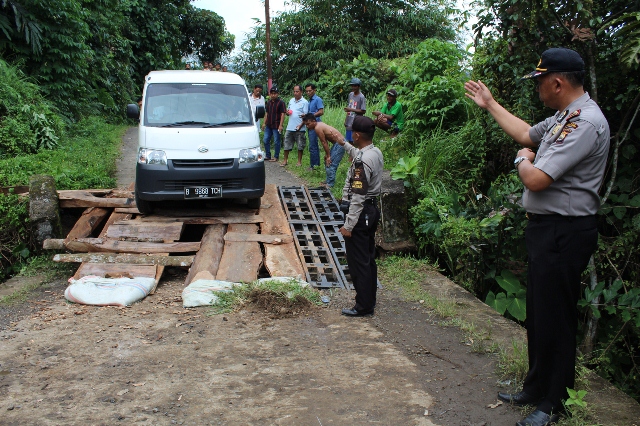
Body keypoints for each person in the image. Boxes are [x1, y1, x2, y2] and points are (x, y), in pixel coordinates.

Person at [464, 48, 610, 426]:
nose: (538, 88)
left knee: (557, 316)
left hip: (567, 231)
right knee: (539, 311)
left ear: (557, 82)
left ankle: (553, 402)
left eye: (541, 81)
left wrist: (521, 159)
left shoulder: (585, 123)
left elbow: (536, 178)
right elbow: (527, 133)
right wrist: (490, 104)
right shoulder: (564, 116)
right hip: (547, 230)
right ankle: (536, 386)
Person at [335, 116, 383, 317]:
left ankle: (363, 306)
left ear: (357, 134)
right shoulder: (374, 152)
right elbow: (358, 155)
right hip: (371, 211)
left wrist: (349, 225)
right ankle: (368, 300)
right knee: (368, 258)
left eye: (351, 133)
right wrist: (343, 143)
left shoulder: (362, 163)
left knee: (358, 261)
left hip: (361, 212)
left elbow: (357, 197)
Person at [325, 78, 366, 188]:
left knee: (355, 139)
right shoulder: (350, 95)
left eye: (355, 86)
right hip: (349, 120)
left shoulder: (361, 97)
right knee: (348, 139)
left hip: (356, 120)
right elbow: (349, 108)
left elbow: (363, 111)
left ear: (359, 86)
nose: (353, 87)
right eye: (352, 85)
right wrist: (346, 118)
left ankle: (354, 156)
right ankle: (350, 156)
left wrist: (351, 110)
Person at [281, 85, 309, 167]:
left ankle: (299, 162)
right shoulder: (291, 100)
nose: (295, 93)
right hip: (290, 126)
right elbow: (288, 111)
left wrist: (301, 125)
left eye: (297, 91)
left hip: (300, 127)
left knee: (300, 145)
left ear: (301, 92)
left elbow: (306, 116)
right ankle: (285, 160)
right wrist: (287, 112)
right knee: (286, 144)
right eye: (294, 91)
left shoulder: (305, 102)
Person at [261, 87, 286, 162]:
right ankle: (268, 155)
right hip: (269, 125)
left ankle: (276, 156)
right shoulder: (268, 103)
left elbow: (283, 114)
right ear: (270, 94)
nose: (273, 95)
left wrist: (281, 125)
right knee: (265, 140)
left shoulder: (281, 103)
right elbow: (267, 113)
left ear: (277, 94)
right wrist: (264, 123)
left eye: (274, 93)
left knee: (276, 141)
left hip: (277, 125)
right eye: (272, 93)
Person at [305, 83, 325, 170]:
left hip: (315, 124)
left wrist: (311, 116)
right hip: (310, 125)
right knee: (312, 145)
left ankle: (315, 166)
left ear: (314, 90)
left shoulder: (317, 99)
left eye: (310, 91)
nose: (308, 92)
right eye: (307, 91)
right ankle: (314, 164)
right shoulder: (309, 101)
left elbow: (321, 112)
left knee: (313, 146)